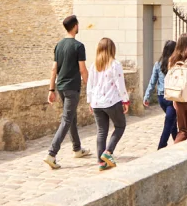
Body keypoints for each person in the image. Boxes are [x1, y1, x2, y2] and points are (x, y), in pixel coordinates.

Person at [44, 14, 91, 169]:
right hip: (72, 87)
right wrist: (90, 86)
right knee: (66, 120)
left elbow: (53, 69)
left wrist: (51, 89)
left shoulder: (58, 46)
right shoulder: (79, 46)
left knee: (72, 118)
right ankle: (51, 153)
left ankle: (77, 149)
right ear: (75, 26)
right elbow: (83, 70)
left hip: (61, 86)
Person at [87, 37, 129, 170]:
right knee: (120, 126)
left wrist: (90, 101)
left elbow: (90, 84)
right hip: (112, 101)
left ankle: (101, 162)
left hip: (97, 103)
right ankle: (108, 152)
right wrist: (125, 100)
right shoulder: (115, 65)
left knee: (101, 131)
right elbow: (120, 84)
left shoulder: (94, 65)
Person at [143, 39, 178, 149]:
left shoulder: (158, 64)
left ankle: (178, 141)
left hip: (161, 98)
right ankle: (162, 145)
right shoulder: (175, 64)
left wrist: (146, 96)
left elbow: (152, 82)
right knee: (169, 121)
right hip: (172, 97)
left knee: (172, 119)